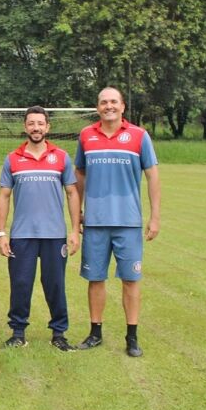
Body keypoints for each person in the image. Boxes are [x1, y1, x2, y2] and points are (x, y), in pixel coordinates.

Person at [75, 87, 160, 357]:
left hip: (128, 222)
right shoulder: (86, 136)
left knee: (130, 280)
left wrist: (154, 216)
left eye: (113, 102)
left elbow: (153, 176)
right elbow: (79, 173)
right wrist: (77, 211)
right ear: (97, 107)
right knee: (95, 279)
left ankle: (132, 337)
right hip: (96, 223)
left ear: (122, 106)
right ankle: (95, 333)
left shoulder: (139, 136)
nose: (108, 106)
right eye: (103, 102)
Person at [0, 106, 81, 351]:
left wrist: (74, 230)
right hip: (22, 235)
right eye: (31, 123)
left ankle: (59, 334)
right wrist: (1, 233)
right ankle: (18, 332)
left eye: (40, 123)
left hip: (54, 235)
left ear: (47, 127)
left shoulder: (62, 157)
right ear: (25, 127)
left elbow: (72, 193)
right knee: (21, 283)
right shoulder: (13, 158)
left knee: (55, 284)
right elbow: (3, 196)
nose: (36, 127)